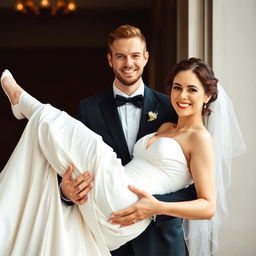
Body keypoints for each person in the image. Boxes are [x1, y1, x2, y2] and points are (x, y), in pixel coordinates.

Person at [0, 58, 245, 256]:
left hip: (131, 206)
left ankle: (24, 103)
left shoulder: (199, 138)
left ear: (207, 96)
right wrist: (67, 190)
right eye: (177, 87)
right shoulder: (164, 127)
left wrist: (156, 207)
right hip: (111, 200)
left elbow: (208, 205)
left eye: (192, 89)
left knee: (95, 147)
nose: (182, 96)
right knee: (54, 153)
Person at [59, 25, 196, 256]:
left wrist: (154, 206)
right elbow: (67, 162)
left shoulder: (172, 107)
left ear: (146, 57)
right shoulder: (88, 109)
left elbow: (196, 186)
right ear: (110, 60)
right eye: (120, 56)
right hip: (107, 239)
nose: (128, 63)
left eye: (135, 55)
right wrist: (65, 192)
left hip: (161, 239)